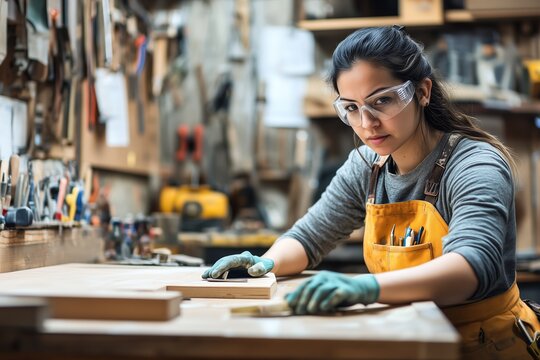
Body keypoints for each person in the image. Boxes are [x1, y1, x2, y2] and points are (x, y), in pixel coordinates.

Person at [202, 26, 540, 359]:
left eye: (382, 101)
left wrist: (366, 288)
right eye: (351, 108)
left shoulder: (474, 164)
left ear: (422, 92)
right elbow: (309, 238)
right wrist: (267, 263)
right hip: (407, 336)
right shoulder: (367, 165)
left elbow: (471, 268)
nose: (367, 123)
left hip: (484, 344)